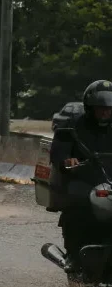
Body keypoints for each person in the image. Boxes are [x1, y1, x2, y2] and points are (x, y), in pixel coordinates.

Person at [50, 80, 112, 274]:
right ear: (90, 108)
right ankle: (73, 256)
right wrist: (67, 161)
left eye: (109, 109)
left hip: (110, 181)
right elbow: (59, 151)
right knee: (78, 203)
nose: (105, 113)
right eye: (100, 108)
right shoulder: (74, 126)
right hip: (84, 179)